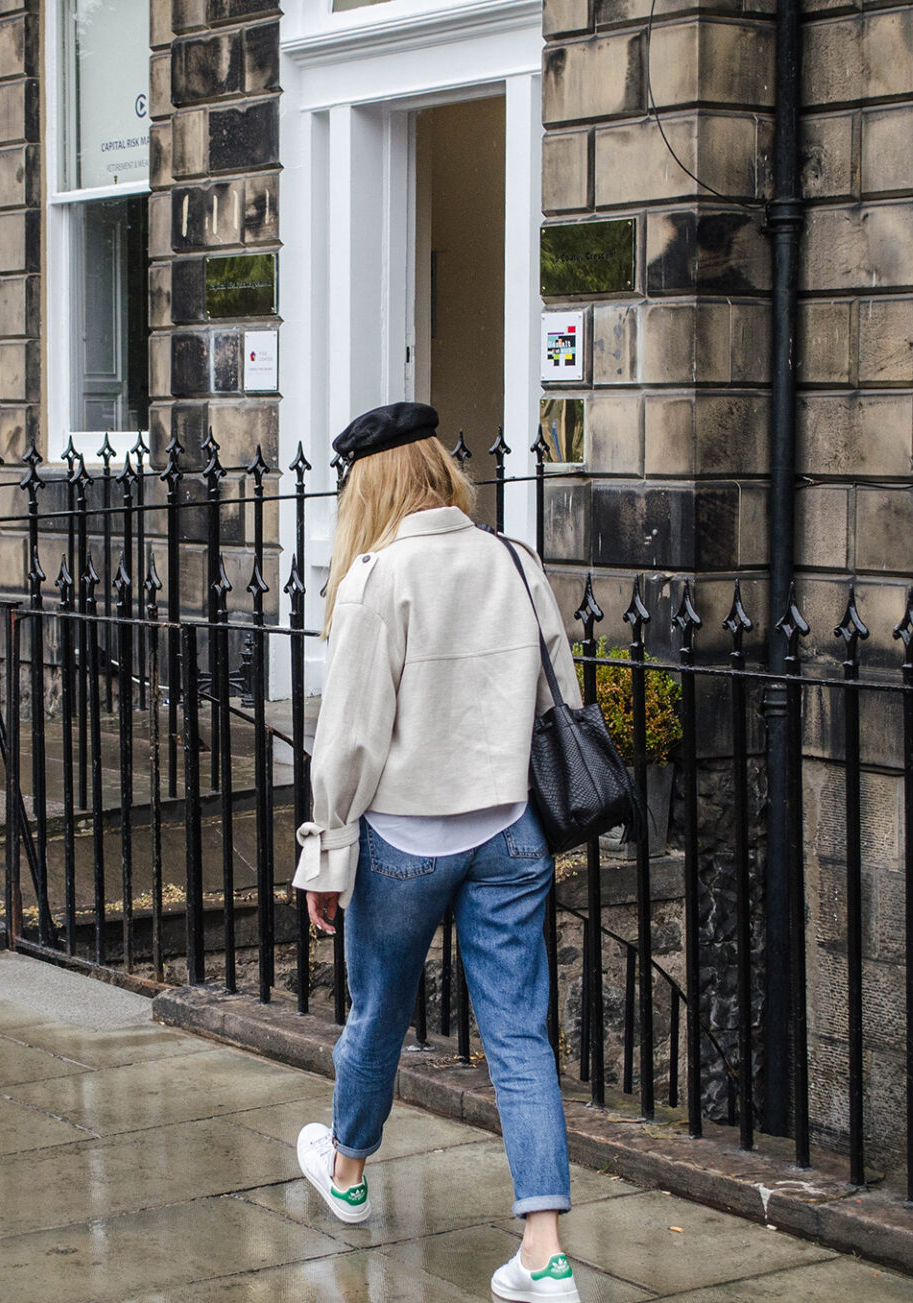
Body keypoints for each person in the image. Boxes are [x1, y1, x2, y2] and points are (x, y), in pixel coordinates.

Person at [292, 401, 583, 1302]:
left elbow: (349, 741)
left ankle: (346, 1168)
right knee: (519, 1034)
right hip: (507, 829)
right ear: (439, 471)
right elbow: (559, 691)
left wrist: (325, 853)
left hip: (405, 841)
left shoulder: (378, 577)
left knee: (379, 1011)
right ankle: (544, 1248)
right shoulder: (513, 557)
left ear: (370, 483)